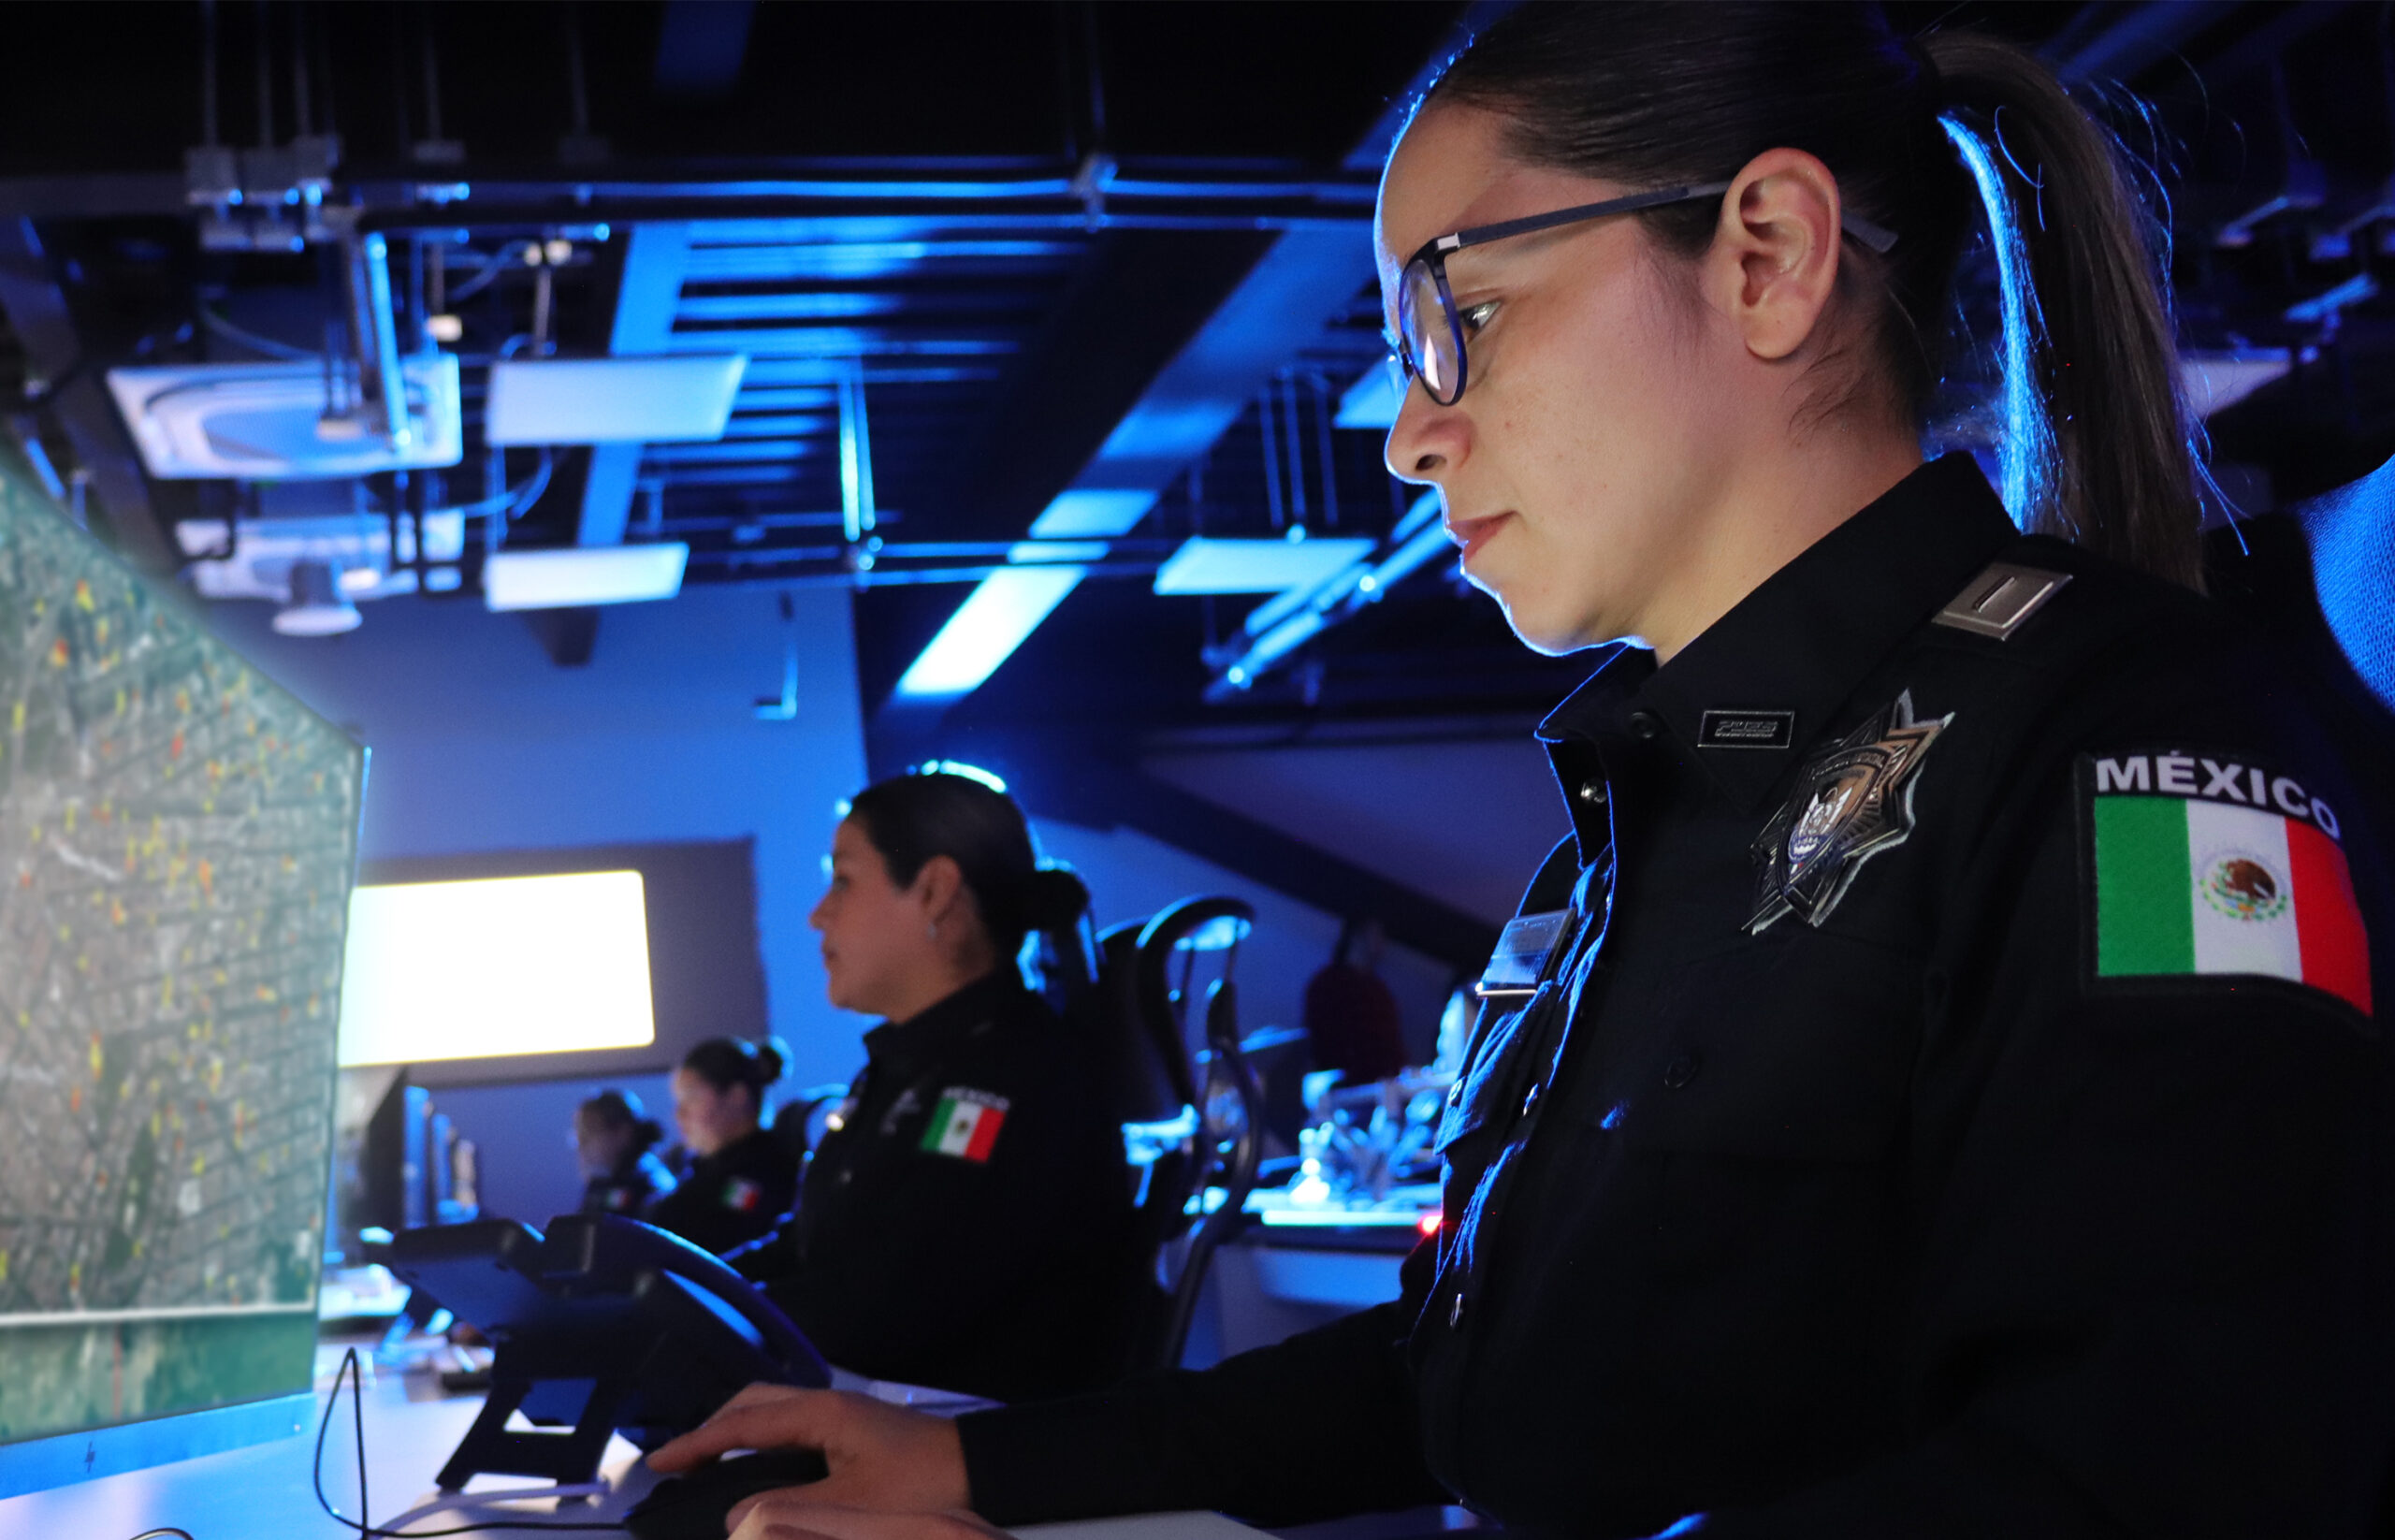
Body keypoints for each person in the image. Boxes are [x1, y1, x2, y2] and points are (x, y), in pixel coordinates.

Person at [649, 7, 2393, 1537]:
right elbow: (1477, 1372)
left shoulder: (2131, 739)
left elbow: (2160, 1472)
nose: (1412, 435)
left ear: (1769, 256)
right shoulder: (1637, 836)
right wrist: (974, 1465)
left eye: (1462, 312)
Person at [729, 767, 1142, 1402]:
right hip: (885, 1421)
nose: (817, 915)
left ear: (934, 892)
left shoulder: (1009, 1074)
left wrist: (713, 1324)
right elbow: (814, 1250)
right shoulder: (918, 1066)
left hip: (962, 1446)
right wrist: (689, 1292)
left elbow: (892, 1307)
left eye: (843, 880)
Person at [645, 1036, 801, 1256]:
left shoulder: (771, 1172)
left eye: (691, 1099)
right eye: (678, 1101)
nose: (680, 1114)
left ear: (737, 1096)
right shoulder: (697, 1170)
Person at [1299, 916, 1410, 1084]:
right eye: (1376, 934)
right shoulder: (1328, 983)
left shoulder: (1380, 992)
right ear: (1356, 936)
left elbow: (1391, 1046)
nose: (1381, 943)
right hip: (1339, 1083)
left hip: (1381, 1084)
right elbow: (1319, 1041)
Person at [573, 1087, 678, 1217]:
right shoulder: (602, 1186)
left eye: (589, 1131)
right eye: (578, 1135)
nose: (580, 1144)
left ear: (624, 1133)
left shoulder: (652, 1192)